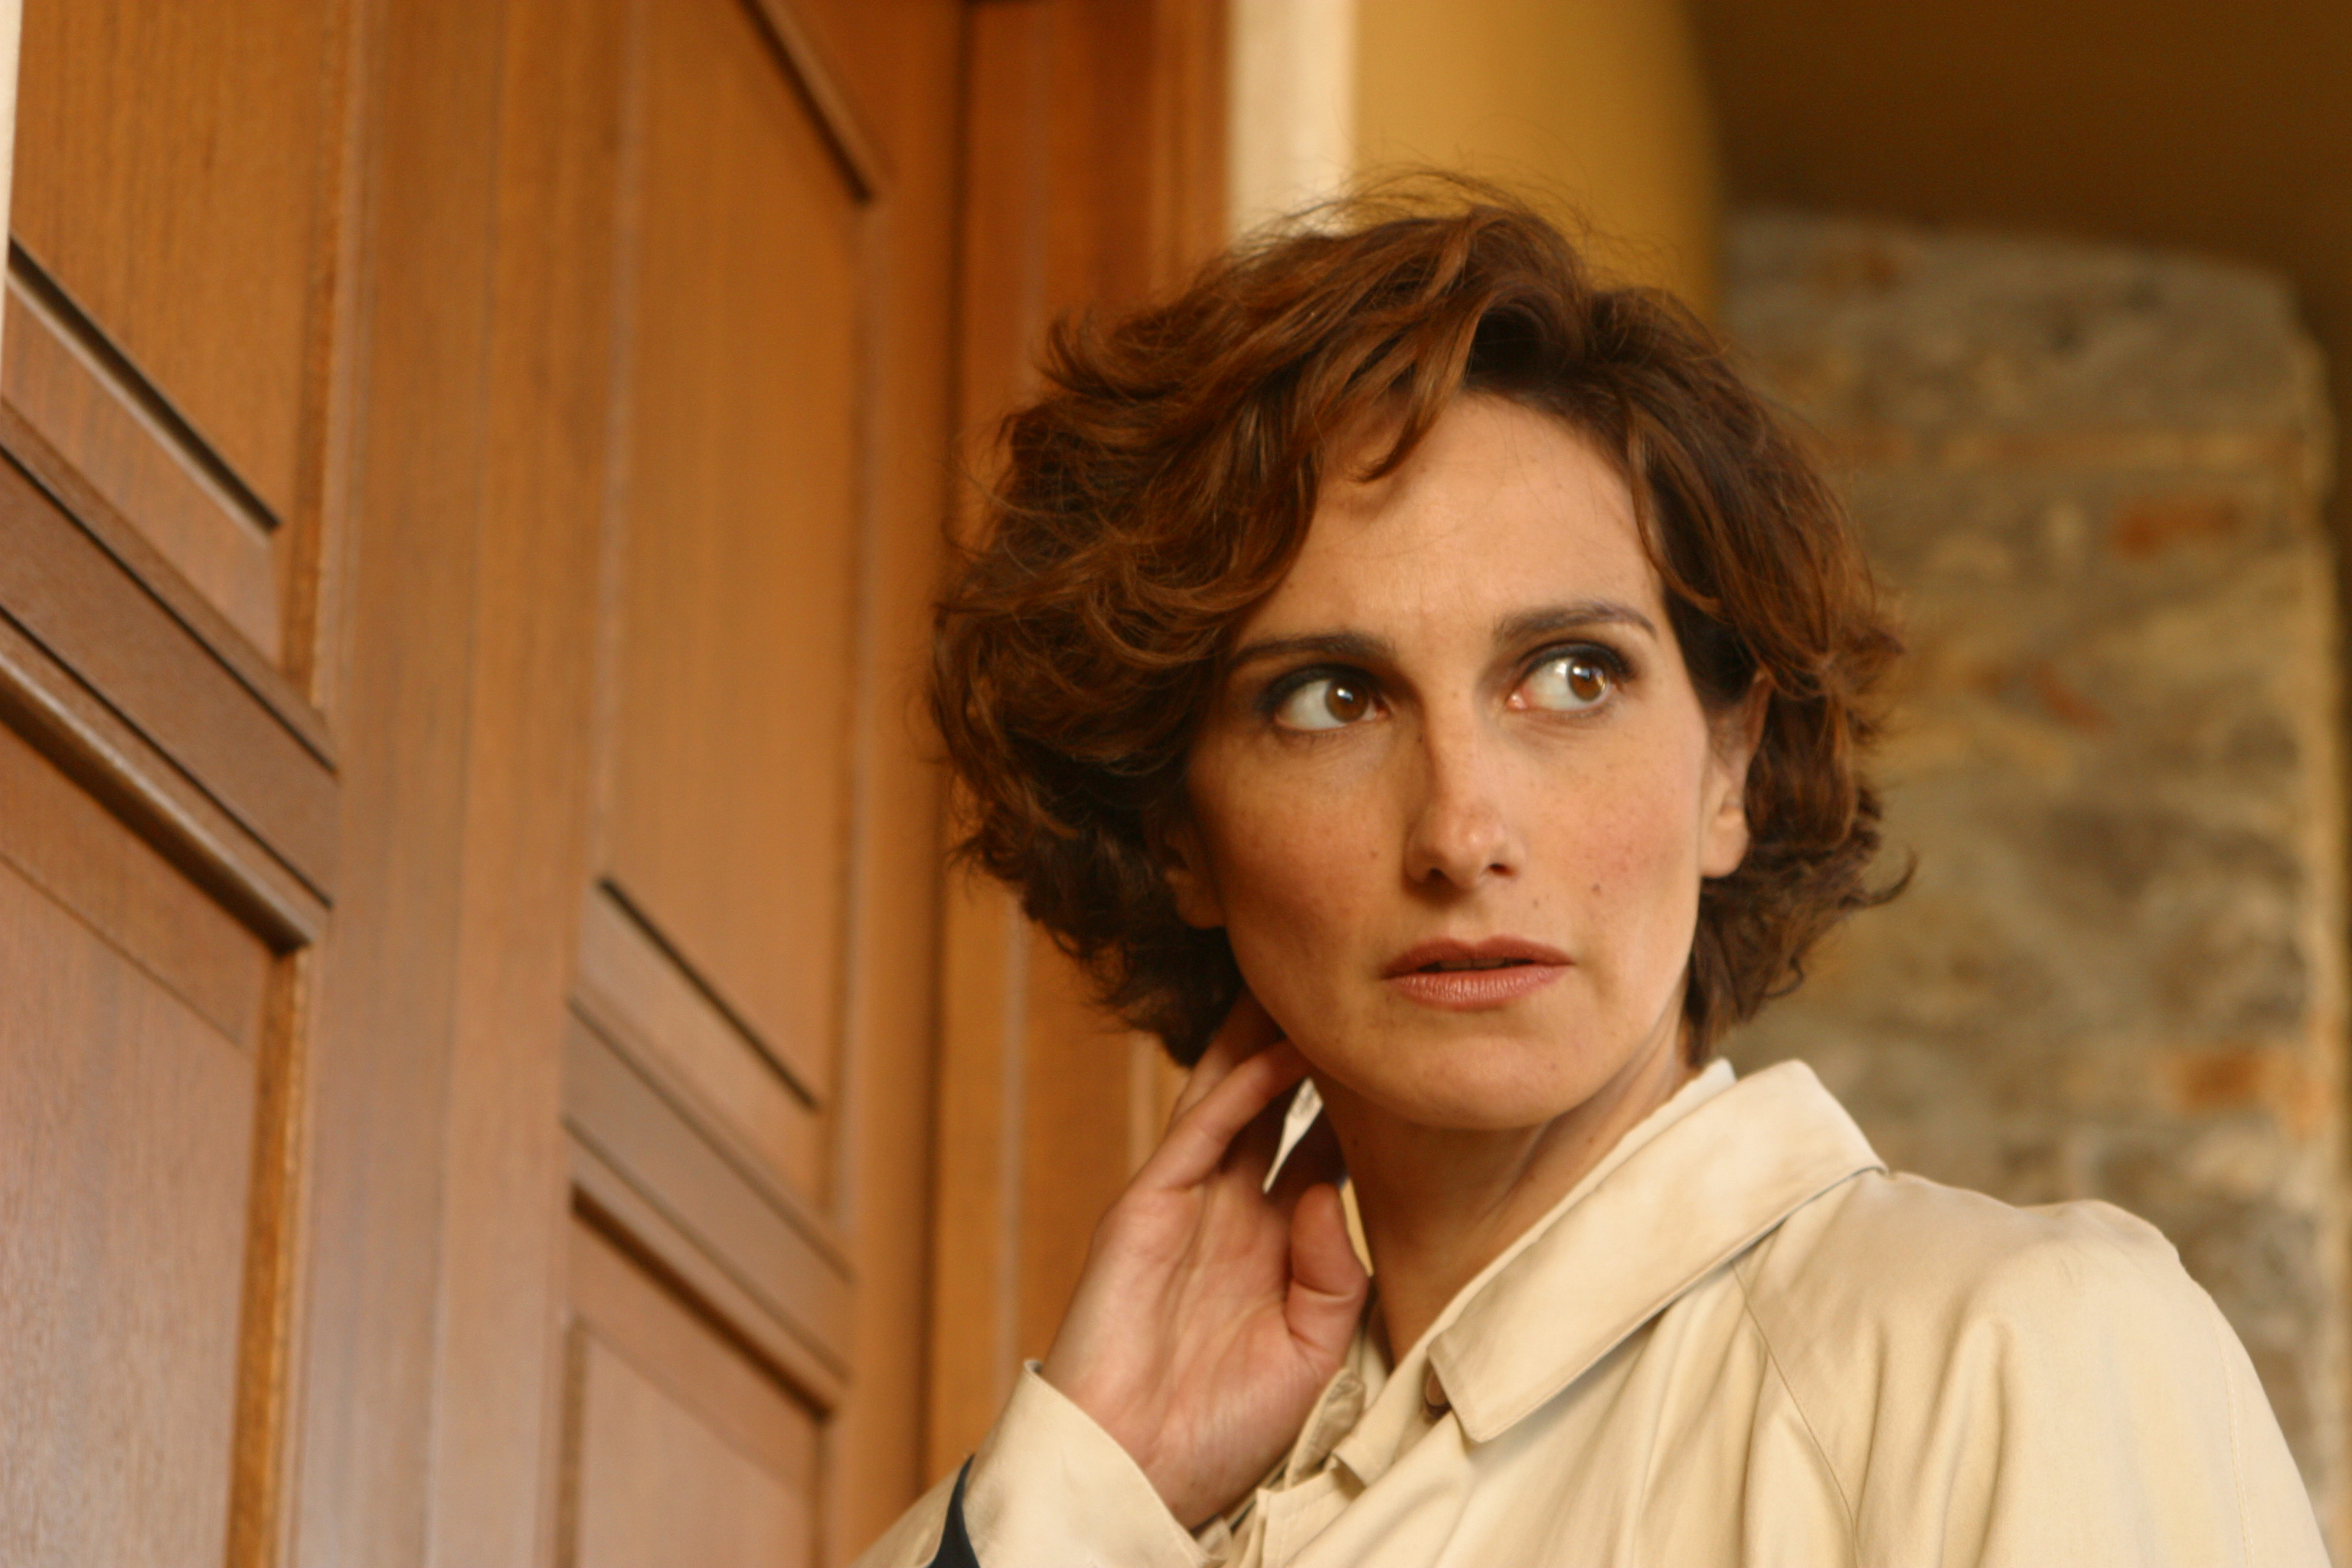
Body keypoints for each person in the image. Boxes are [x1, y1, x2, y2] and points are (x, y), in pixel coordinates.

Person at [858, 183, 2328, 1567]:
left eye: (1571, 676)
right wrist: (1093, 1478)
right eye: (1329, 699)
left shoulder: (2020, 1351)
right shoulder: (1082, 1494)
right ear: (1180, 832)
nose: (1460, 831)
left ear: (1730, 768)